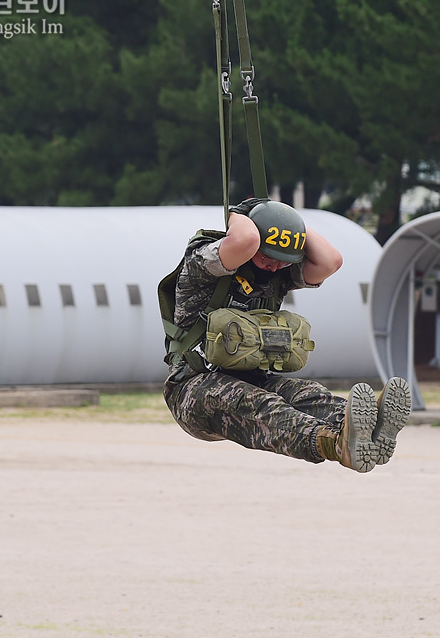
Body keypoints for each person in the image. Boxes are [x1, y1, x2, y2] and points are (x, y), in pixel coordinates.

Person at [162, 198, 410, 472]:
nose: (274, 266)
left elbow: (331, 261)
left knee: (308, 395)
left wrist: (288, 226)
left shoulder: (275, 276)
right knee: (262, 405)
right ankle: (333, 443)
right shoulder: (203, 263)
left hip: (253, 379)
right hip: (194, 391)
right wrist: (244, 212)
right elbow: (245, 240)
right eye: (268, 257)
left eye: (283, 261)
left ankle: (367, 431)